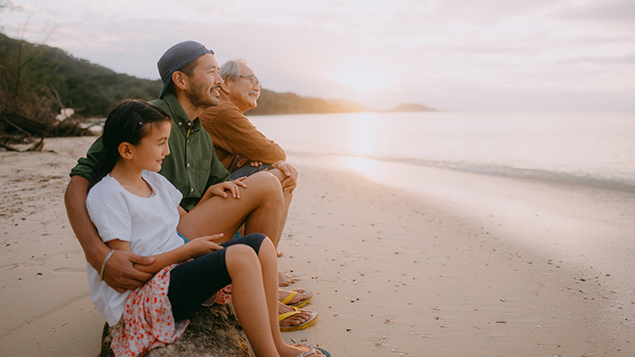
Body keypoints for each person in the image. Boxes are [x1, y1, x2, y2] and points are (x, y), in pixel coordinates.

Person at [64, 41, 314, 330]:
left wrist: (261, 167)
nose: (220, 80)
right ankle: (258, 295)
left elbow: (221, 181)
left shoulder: (199, 130)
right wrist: (98, 255)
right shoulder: (148, 120)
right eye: (211, 72)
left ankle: (256, 286)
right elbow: (80, 177)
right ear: (181, 80)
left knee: (274, 178)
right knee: (267, 185)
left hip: (188, 224)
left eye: (220, 73)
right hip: (165, 237)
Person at [84, 99, 327, 357]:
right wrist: (188, 250)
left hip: (173, 269)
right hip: (143, 295)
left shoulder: (152, 180)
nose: (167, 151)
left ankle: (278, 345)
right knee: (242, 257)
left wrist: (209, 197)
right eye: (160, 143)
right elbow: (127, 271)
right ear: (127, 150)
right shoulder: (107, 195)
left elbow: (177, 220)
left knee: (260, 245)